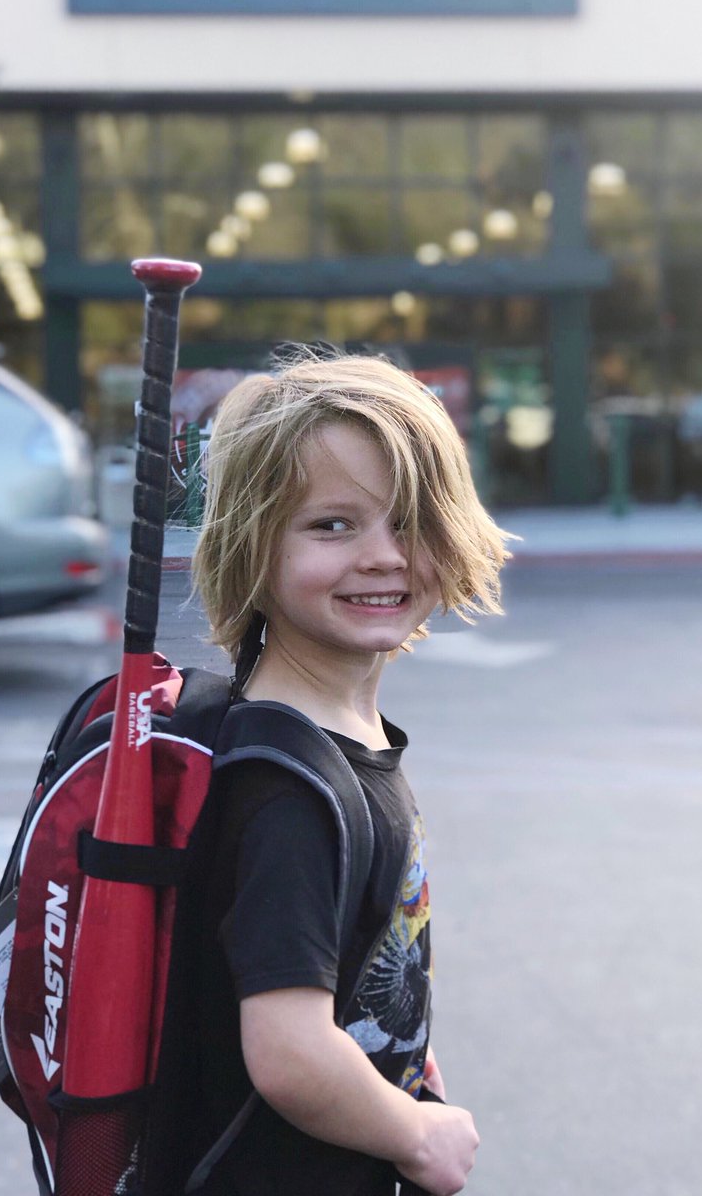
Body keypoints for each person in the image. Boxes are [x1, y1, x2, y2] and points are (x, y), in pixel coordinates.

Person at [189, 351, 509, 1196]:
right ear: (251, 547)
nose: (383, 556)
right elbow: (291, 1053)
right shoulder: (288, 789)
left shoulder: (335, 736)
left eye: (410, 521)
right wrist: (416, 1135)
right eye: (332, 526)